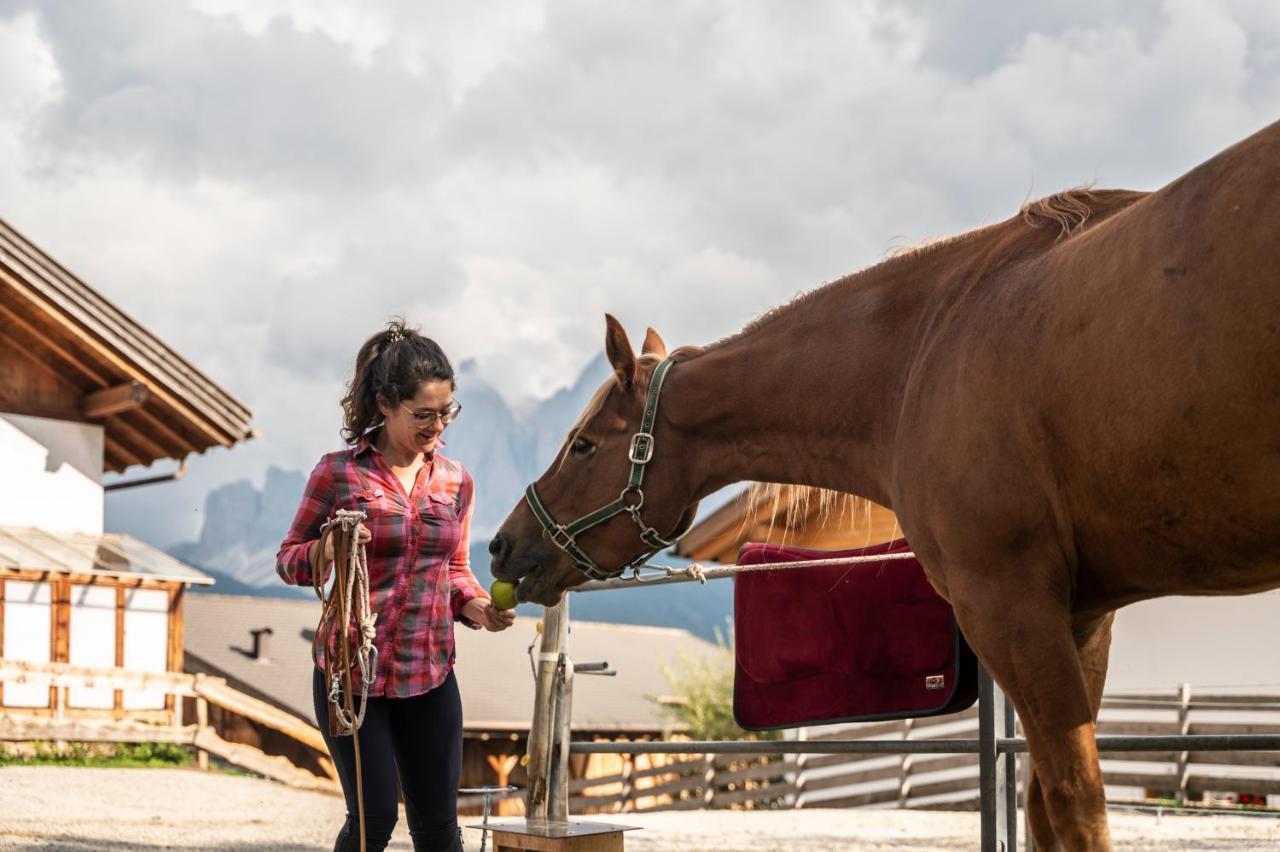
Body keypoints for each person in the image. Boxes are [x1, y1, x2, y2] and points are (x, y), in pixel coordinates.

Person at [276, 319, 515, 852]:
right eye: (422, 414)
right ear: (385, 404)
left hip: (429, 673)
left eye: (445, 411)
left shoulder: (455, 480)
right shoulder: (338, 474)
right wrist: (325, 550)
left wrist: (477, 607)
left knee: (438, 830)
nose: (436, 426)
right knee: (374, 819)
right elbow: (290, 560)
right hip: (350, 674)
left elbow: (454, 568)